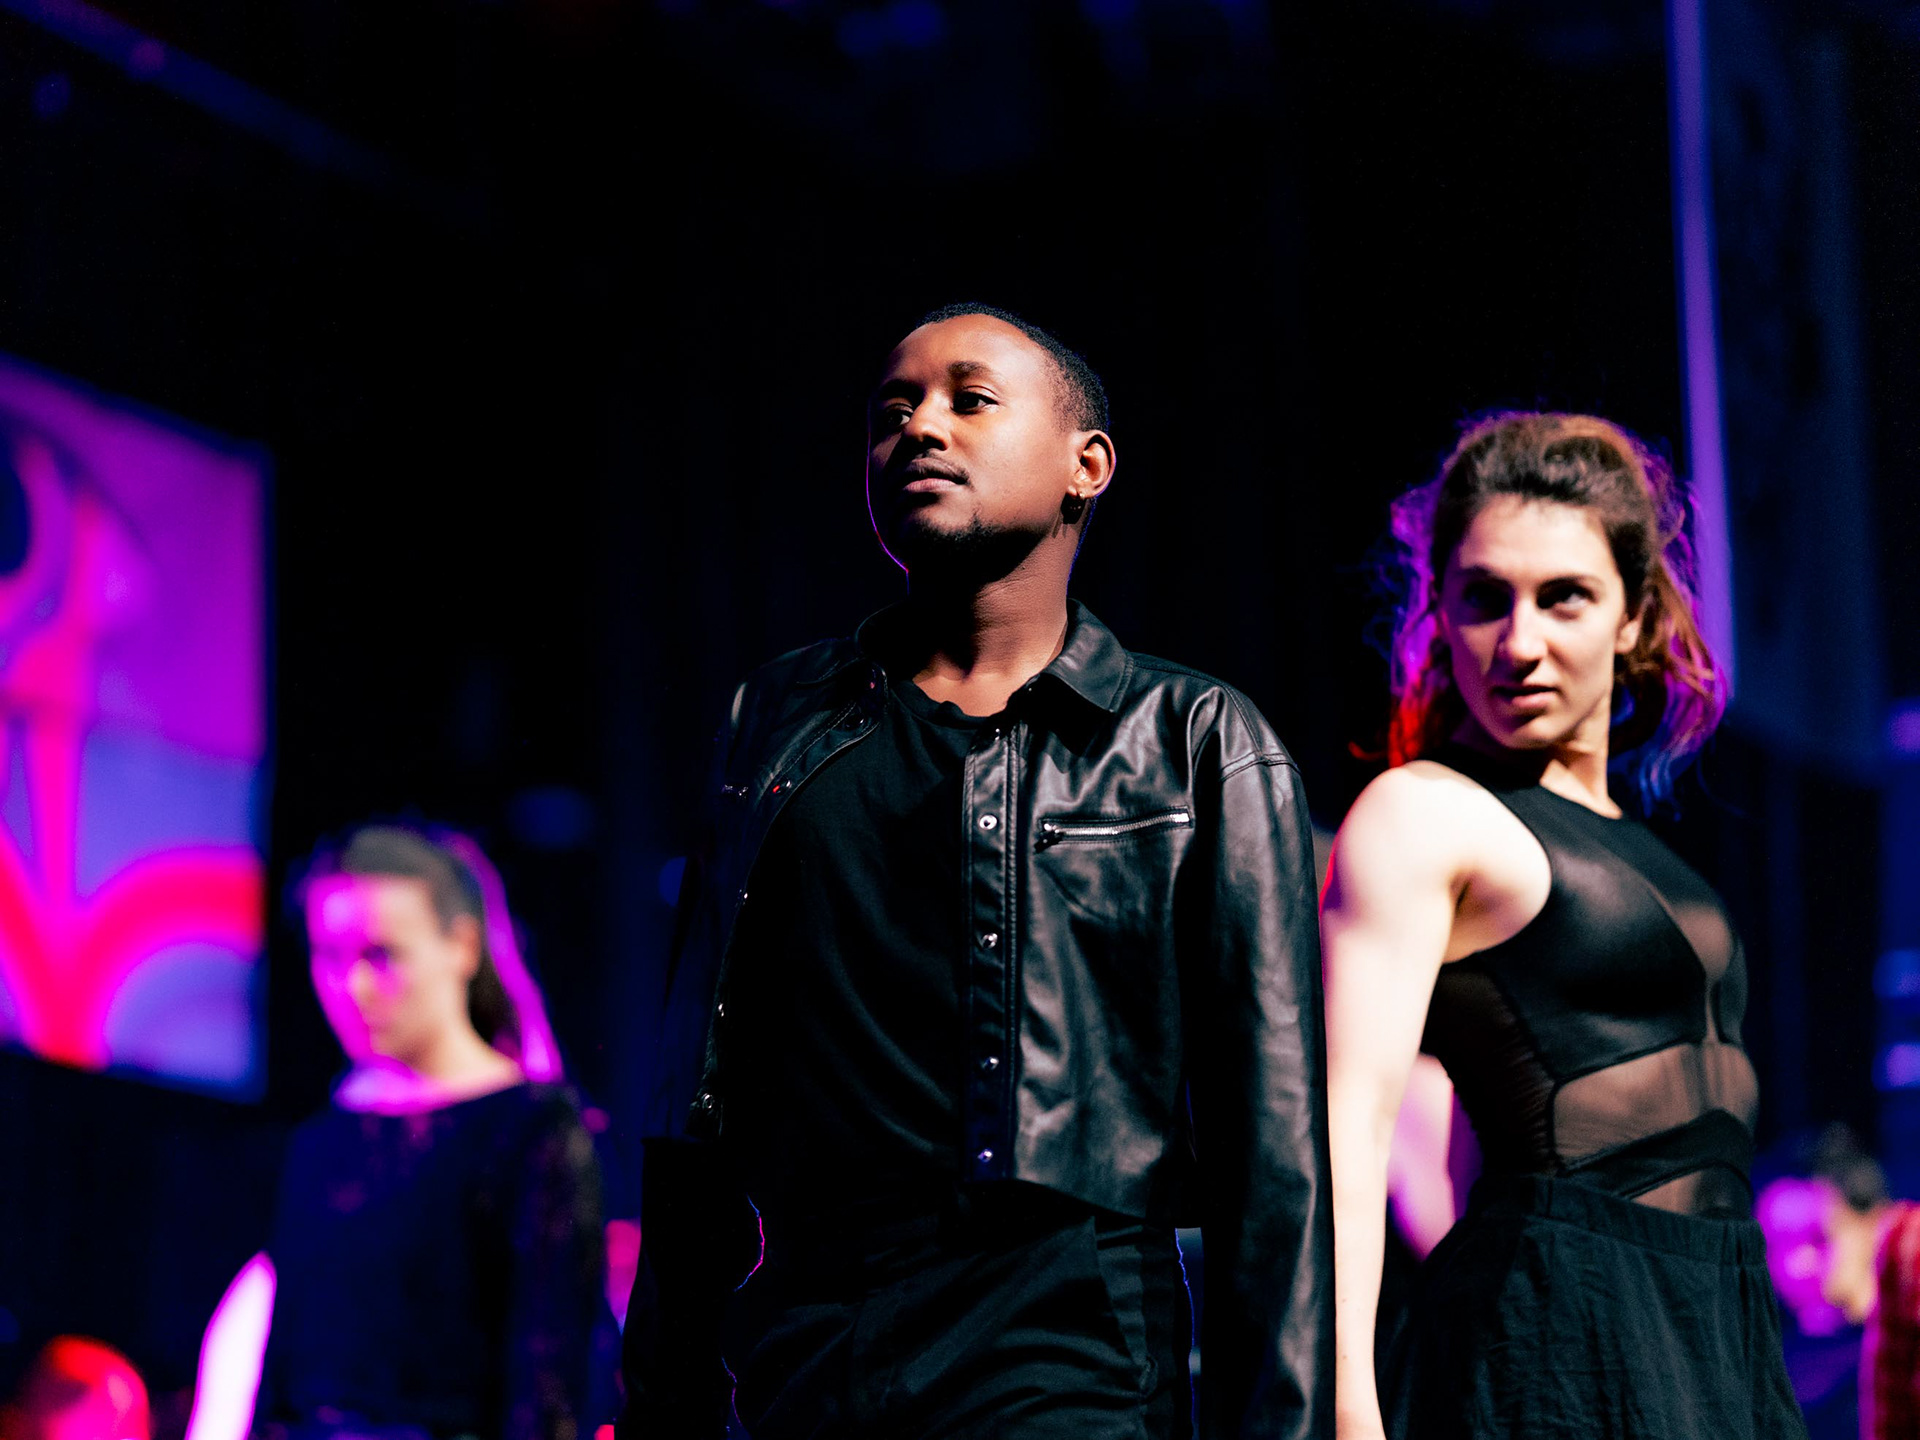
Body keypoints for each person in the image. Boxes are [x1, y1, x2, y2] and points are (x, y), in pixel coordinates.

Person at [621, 304, 1331, 1439]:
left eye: (970, 399)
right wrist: (665, 1399)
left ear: (1086, 466)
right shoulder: (774, 718)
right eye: (892, 410)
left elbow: (1274, 1154)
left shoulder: (1194, 738)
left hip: (1064, 1350)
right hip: (811, 1349)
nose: (919, 427)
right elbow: (692, 1093)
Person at [1320, 412, 1804, 1439]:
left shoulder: (1643, 847)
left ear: (1634, 615)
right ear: (1439, 611)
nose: (1521, 643)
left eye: (1565, 596)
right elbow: (1341, 1130)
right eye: (1484, 598)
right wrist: (1346, 1405)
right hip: (1558, 1333)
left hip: (1716, 1329)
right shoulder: (1424, 814)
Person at [186, 826, 610, 1440]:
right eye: (329, 957)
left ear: (462, 946)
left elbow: (547, 1394)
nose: (352, 987)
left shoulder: (531, 1129)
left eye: (381, 956)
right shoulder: (321, 1141)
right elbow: (276, 1378)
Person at [1756, 1126, 1920, 1438]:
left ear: (1871, 1216)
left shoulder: (1910, 1253)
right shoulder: (1789, 1369)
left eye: (1817, 1237)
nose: (1798, 1267)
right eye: (1777, 1247)